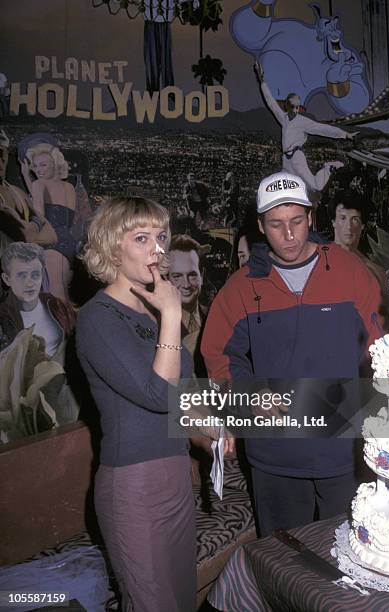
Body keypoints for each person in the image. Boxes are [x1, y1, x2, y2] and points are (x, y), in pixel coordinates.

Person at [201, 170, 383, 536]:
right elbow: (216, 352)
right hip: (275, 457)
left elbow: (379, 349)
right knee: (284, 567)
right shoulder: (241, 286)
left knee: (346, 565)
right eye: (276, 224)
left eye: (297, 221)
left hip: (345, 455)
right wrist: (248, 392)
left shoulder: (350, 271)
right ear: (260, 226)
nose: (288, 234)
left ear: (311, 218)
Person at [76, 197, 197, 612]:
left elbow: (181, 392)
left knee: (181, 600)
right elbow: (158, 395)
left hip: (178, 474)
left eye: (161, 237)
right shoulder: (97, 318)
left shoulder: (152, 311)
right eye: (141, 238)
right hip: (134, 486)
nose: (157, 249)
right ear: (112, 249)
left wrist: (209, 427)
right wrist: (171, 313)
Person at [254, 62, 357, 193]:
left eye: (297, 107)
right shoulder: (283, 118)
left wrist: (344, 134)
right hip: (286, 159)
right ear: (286, 106)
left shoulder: (302, 121)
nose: (296, 110)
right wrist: (261, 80)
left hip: (297, 157)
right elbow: (270, 102)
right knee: (284, 189)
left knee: (315, 186)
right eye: (293, 107)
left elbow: (322, 129)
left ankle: (328, 167)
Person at [0, 242, 75, 356]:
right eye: (22, 275)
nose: (30, 283)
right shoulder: (3, 318)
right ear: (7, 279)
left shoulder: (56, 305)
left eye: (35, 275)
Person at [24, 143, 77, 302]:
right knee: (63, 297)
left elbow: (39, 215)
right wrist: (28, 177)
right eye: (36, 166)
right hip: (68, 244)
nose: (38, 170)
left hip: (49, 243)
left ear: (55, 164)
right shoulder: (69, 187)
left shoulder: (38, 184)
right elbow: (60, 214)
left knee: (54, 298)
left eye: (43, 165)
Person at [0, 130, 57, 257]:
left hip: (24, 273)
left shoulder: (17, 192)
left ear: (7, 154)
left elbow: (52, 236)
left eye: (1, 152)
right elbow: (26, 234)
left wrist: (29, 233)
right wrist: (37, 221)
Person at [331, 189, 387, 291]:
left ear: (362, 226)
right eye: (343, 218)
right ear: (333, 222)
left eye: (355, 219)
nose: (349, 227)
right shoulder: (314, 266)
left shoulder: (376, 273)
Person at [168, 234, 208, 376]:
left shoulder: (215, 316)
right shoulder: (156, 325)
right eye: (177, 276)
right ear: (167, 279)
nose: (186, 284)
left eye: (192, 275)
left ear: (201, 276)